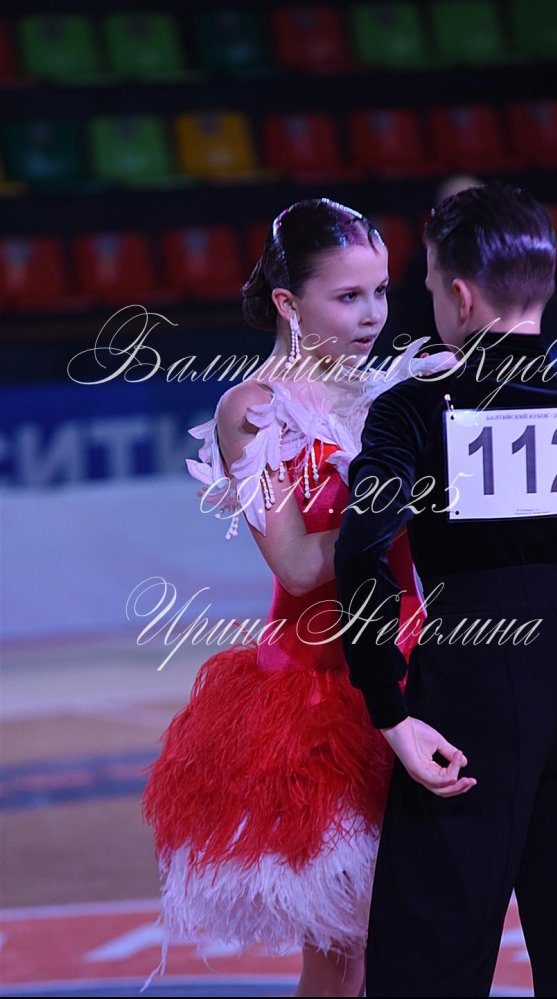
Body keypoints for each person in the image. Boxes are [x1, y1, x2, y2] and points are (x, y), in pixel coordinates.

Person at [333, 182, 557, 997]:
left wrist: (390, 710)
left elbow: (363, 549)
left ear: (457, 294)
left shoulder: (409, 412)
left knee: (427, 955)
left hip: (466, 661)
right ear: (543, 286)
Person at [139, 197, 460, 998]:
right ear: (288, 301)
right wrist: (401, 500)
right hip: (322, 689)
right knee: (344, 950)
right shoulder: (253, 410)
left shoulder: (395, 388)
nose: (373, 314)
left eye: (380, 291)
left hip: (420, 666)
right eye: (348, 296)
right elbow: (295, 559)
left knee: (427, 924)